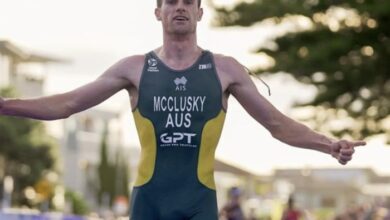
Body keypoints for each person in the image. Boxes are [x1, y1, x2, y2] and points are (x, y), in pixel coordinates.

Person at [0, 0, 366, 219]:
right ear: (157, 12)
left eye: (188, 1)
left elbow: (277, 124)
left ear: (200, 12)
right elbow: (67, 104)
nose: (180, 7)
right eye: (171, 1)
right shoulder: (134, 68)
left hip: (198, 202)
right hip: (149, 201)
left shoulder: (225, 70)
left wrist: (328, 144)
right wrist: (5, 105)